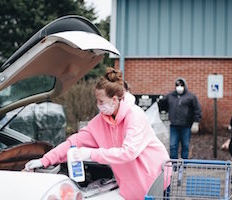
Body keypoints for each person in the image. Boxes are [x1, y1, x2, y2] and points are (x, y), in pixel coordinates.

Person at [24, 67, 170, 200]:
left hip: (157, 181)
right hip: (132, 188)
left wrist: (90, 154)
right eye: (97, 101)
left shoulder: (135, 116)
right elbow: (73, 143)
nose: (98, 105)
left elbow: (129, 152)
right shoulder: (99, 123)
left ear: (114, 100)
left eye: (101, 101)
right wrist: (45, 160)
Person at [158, 78, 202, 159]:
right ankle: (174, 166)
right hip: (174, 126)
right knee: (173, 146)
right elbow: (162, 105)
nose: (179, 87)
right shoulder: (170, 96)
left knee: (185, 146)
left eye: (181, 85)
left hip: (186, 126)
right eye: (177, 85)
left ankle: (183, 166)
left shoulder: (191, 97)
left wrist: (196, 122)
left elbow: (197, 109)